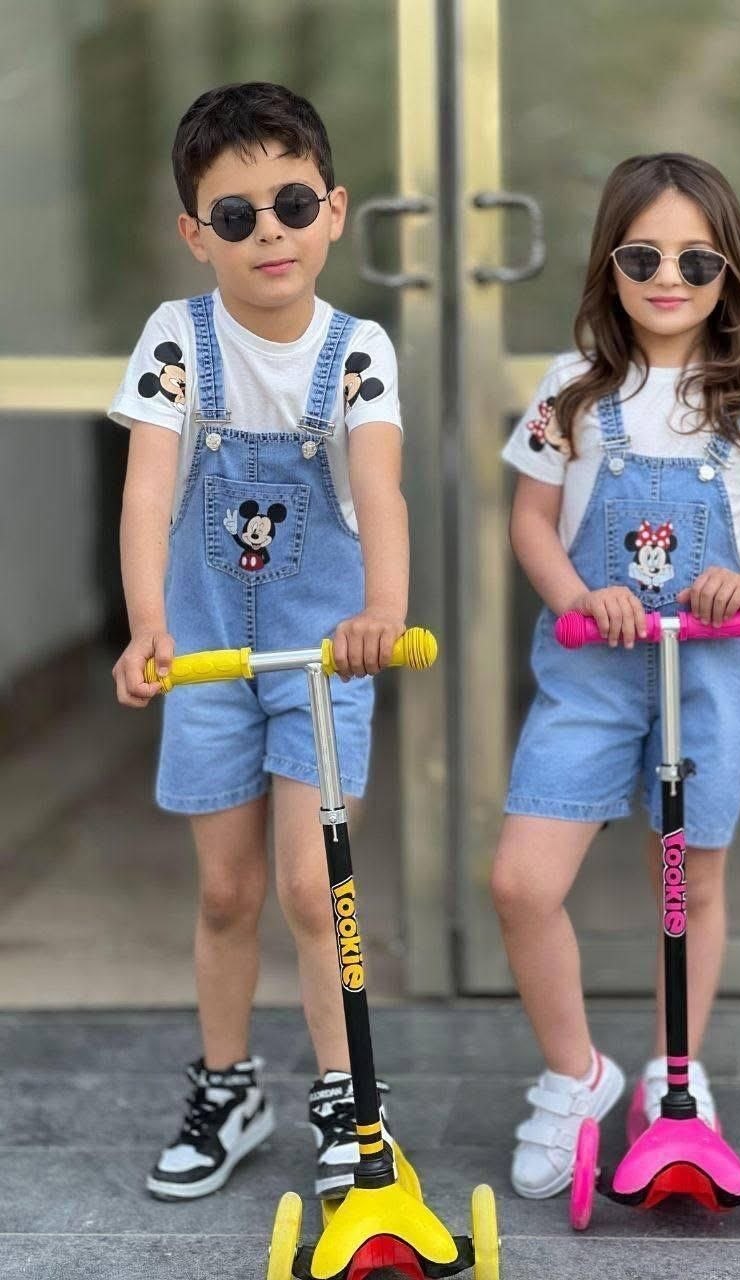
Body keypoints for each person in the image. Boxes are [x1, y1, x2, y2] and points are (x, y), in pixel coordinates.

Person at [493, 153, 740, 1199]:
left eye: (695, 259)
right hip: (593, 673)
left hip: (709, 671)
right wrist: (578, 596)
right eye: (643, 257)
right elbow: (533, 520)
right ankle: (575, 1073)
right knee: (522, 882)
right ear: (610, 265)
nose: (668, 277)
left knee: (691, 884)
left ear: (729, 274)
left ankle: (677, 1072)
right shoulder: (573, 389)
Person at [109, 82, 408, 1201]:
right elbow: (149, 494)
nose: (268, 232)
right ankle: (229, 1084)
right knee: (227, 892)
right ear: (198, 235)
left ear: (334, 210)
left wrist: (382, 612)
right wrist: (149, 622)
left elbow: (379, 490)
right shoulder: (178, 341)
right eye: (235, 215)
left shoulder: (358, 350)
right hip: (207, 657)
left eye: (291, 203)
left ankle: (347, 1093)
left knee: (313, 885)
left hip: (322, 656)